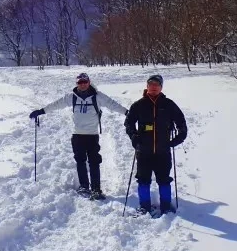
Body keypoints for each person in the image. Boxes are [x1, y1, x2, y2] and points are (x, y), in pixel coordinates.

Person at [30, 72, 127, 200]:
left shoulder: (97, 96)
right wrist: (41, 111)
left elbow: (113, 104)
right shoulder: (72, 97)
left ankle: (96, 189)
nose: (82, 84)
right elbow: (57, 104)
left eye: (84, 82)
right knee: (80, 161)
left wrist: (127, 113)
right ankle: (84, 186)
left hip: (92, 135)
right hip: (77, 135)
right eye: (80, 82)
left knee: (94, 162)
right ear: (77, 84)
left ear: (89, 82)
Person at [124, 74, 187, 215]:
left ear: (161, 87)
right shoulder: (138, 105)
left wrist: (180, 137)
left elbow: (181, 122)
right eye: (151, 84)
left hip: (163, 151)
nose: (153, 87)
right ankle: (144, 206)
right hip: (143, 151)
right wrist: (134, 137)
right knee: (143, 180)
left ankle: (166, 206)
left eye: (156, 85)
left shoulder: (169, 104)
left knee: (164, 180)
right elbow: (128, 123)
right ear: (147, 87)